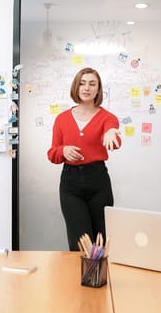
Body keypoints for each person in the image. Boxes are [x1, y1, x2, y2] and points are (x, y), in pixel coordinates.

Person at [47, 67, 121, 251]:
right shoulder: (62, 119)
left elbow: (114, 135)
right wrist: (63, 151)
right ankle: (79, 279)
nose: (86, 88)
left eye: (92, 84)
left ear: (98, 89)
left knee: (101, 238)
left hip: (98, 181)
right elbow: (52, 154)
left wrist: (112, 132)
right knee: (80, 241)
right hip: (71, 184)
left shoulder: (107, 118)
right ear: (76, 87)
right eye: (82, 83)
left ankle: (101, 279)